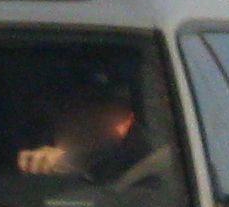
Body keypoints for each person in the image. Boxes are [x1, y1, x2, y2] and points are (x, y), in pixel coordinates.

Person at [16, 76, 150, 184]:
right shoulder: (28, 161)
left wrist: (72, 164)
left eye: (104, 101)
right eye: (91, 102)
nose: (99, 114)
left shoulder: (144, 157)